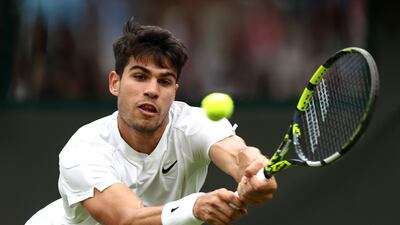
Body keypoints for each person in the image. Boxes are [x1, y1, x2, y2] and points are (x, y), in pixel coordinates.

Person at [25, 17, 277, 225]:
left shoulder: (193, 124)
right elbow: (127, 219)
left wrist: (255, 170)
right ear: (115, 83)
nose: (152, 90)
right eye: (140, 76)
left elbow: (238, 153)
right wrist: (195, 206)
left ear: (174, 91)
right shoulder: (84, 149)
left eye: (164, 81)